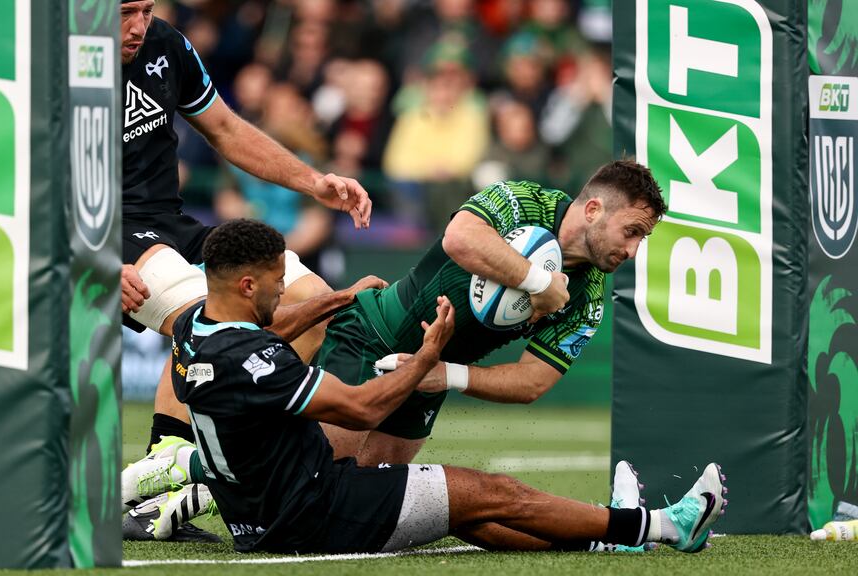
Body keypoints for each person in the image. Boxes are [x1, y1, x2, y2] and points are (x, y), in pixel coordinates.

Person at [126, 218, 726, 554]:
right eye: (281, 280)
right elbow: (363, 409)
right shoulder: (256, 357)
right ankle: (665, 526)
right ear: (250, 285)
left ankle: (605, 536)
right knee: (493, 491)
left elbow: (271, 330)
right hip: (313, 510)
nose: (289, 289)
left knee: (467, 512)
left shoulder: (194, 327)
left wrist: (337, 299)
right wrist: (427, 358)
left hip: (260, 512)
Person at [117, 0, 372, 540]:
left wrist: (313, 182)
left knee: (315, 299)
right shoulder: (53, 67)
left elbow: (227, 130)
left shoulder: (165, 45)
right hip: (108, 232)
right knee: (215, 322)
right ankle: (174, 486)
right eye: (123, 13)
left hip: (172, 222)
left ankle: (204, 465)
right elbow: (22, 175)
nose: (138, 26)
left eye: (144, 9)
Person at [313, 159, 668, 466]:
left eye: (642, 239)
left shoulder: (588, 297)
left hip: (430, 380)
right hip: (373, 336)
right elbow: (460, 238)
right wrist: (539, 283)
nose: (633, 251)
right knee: (323, 473)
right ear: (593, 210)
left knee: (375, 489)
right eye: (631, 232)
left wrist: (447, 375)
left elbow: (532, 381)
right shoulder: (524, 200)